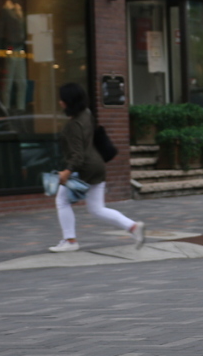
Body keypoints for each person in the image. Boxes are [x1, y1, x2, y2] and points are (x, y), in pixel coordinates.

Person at [48, 82, 144, 252]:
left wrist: (67, 172)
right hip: (97, 165)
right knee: (97, 208)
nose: (59, 102)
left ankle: (70, 241)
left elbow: (77, 155)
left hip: (84, 168)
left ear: (68, 101)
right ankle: (133, 227)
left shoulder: (73, 126)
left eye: (62, 99)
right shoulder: (87, 114)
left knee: (62, 201)